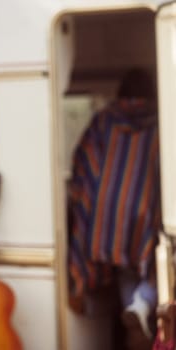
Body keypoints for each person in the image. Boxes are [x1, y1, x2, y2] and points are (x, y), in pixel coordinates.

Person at [67, 68, 161, 350]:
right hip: (148, 210)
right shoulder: (163, 119)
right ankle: (141, 307)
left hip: (109, 219)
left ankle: (135, 313)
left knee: (125, 268)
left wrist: (90, 208)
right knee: (156, 263)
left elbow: (82, 165)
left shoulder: (104, 121)